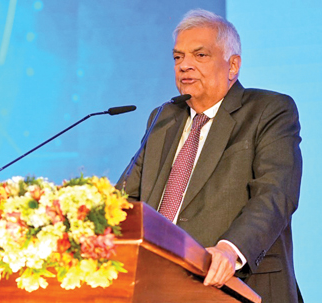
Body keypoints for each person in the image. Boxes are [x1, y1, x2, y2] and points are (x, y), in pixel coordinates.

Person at [116, 9, 303, 303]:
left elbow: (275, 194)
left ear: (233, 66)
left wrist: (230, 249)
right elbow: (124, 199)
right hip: (158, 286)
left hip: (237, 285)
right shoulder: (163, 117)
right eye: (178, 57)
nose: (185, 65)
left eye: (200, 55)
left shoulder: (268, 110)